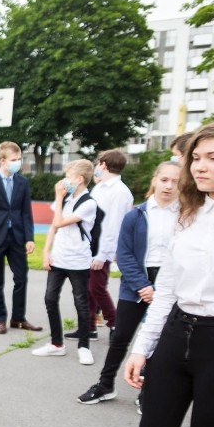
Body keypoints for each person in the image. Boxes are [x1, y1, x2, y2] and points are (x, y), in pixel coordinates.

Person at [73, 122, 214, 427]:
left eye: (213, 158)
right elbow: (169, 288)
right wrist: (142, 348)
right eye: (197, 157)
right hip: (176, 334)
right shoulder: (188, 213)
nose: (200, 165)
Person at [77, 161, 181, 410]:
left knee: (160, 341)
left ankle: (148, 392)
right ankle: (105, 385)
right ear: (154, 180)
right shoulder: (136, 215)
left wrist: (164, 289)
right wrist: (142, 286)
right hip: (136, 283)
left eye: (175, 181)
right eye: (164, 179)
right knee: (121, 336)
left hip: (170, 284)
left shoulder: (186, 215)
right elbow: (124, 254)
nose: (168, 186)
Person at [31, 159, 97, 364]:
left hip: (78, 261)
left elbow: (60, 221)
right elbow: (54, 226)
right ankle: (56, 343)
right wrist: (46, 251)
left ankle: (84, 346)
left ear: (79, 179)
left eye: (68, 177)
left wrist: (58, 197)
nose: (64, 182)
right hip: (59, 258)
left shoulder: (89, 203)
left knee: (81, 303)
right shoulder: (66, 199)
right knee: (50, 299)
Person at [66, 150, 133, 342]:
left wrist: (102, 254)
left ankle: (114, 324)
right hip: (91, 246)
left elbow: (113, 226)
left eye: (97, 163)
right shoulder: (101, 188)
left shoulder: (119, 192)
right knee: (88, 289)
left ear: (103, 164)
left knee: (97, 288)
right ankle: (89, 328)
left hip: (102, 248)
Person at [0, 141, 41, 335]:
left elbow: (26, 212)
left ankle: (18, 318)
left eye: (19, 159)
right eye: (14, 160)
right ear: (2, 160)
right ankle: (1, 319)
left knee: (21, 278)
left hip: (17, 238)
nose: (18, 163)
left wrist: (29, 238)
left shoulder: (23, 183)